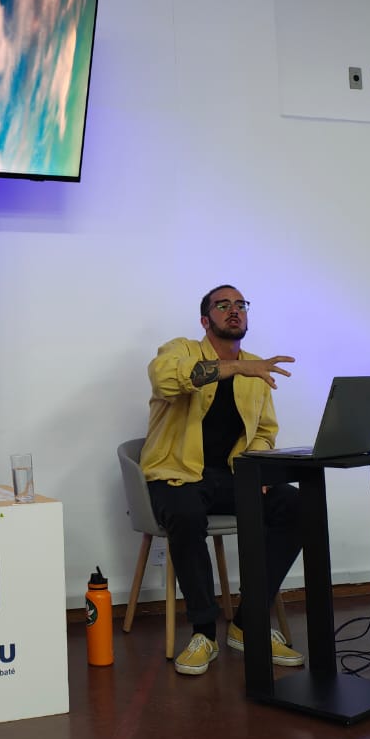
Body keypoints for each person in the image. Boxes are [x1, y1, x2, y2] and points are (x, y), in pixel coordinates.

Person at [140, 285, 305, 676]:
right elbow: (167, 381)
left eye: (241, 305)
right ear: (205, 319)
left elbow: (264, 430)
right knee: (185, 515)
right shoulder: (179, 351)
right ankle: (203, 632)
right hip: (177, 473)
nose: (235, 310)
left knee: (297, 505)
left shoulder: (256, 368)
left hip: (232, 477)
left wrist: (257, 466)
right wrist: (235, 368)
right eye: (223, 305)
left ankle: (247, 624)